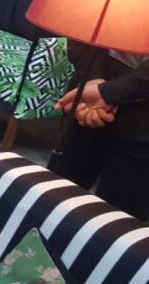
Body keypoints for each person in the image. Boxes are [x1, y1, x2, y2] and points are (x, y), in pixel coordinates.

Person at [53, 47, 149, 221]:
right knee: (57, 198)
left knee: (118, 220)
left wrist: (110, 92)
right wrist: (93, 78)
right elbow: (80, 32)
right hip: (95, 76)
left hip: (142, 119)